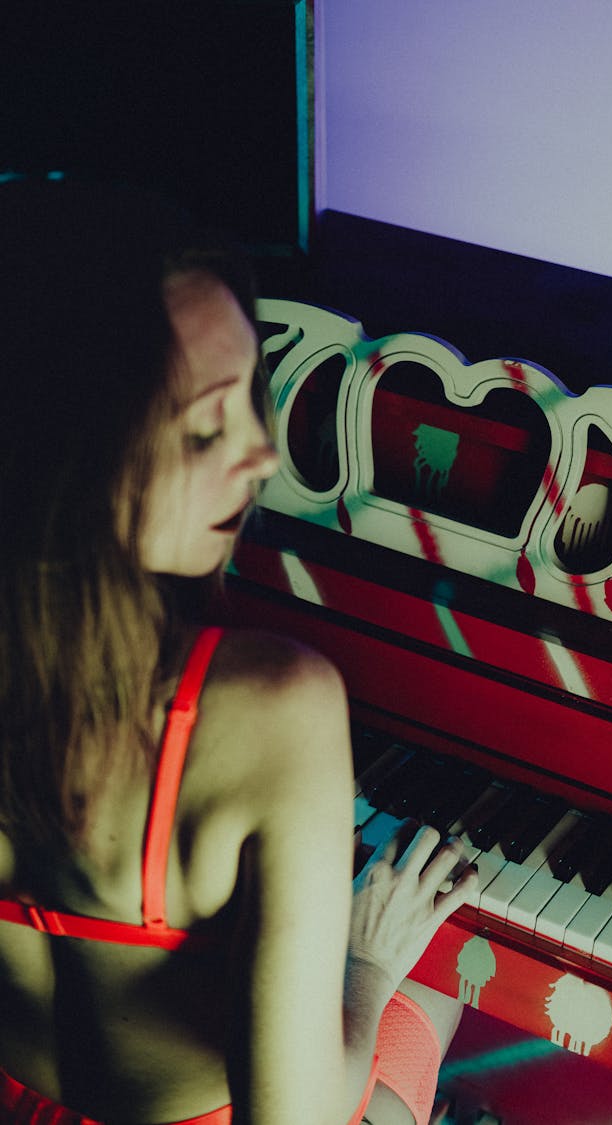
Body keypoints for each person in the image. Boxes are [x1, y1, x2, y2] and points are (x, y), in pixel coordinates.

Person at [0, 176, 477, 1124]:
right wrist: (365, 968)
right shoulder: (274, 703)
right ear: (73, 454)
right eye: (206, 427)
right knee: (442, 992)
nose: (261, 456)